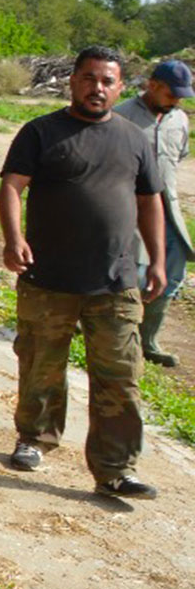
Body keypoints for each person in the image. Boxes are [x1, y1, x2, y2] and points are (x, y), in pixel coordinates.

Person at [1, 47, 168, 499]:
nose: (98, 88)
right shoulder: (41, 132)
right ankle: (34, 440)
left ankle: (116, 468)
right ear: (73, 81)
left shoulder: (134, 139)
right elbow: (13, 186)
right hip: (48, 278)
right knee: (41, 365)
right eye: (89, 78)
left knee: (120, 376)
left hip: (114, 283)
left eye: (107, 81)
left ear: (120, 88)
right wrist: (13, 237)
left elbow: (150, 201)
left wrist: (156, 259)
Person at [113, 59, 191, 367]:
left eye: (182, 96)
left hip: (167, 209)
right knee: (130, 272)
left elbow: (179, 156)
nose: (177, 101)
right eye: (172, 94)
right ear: (152, 85)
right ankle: (117, 335)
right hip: (130, 209)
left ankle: (148, 341)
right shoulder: (120, 116)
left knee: (172, 271)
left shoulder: (180, 120)